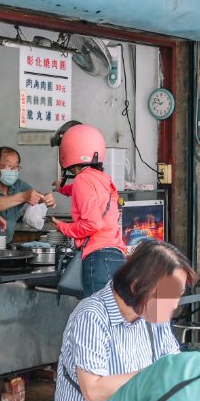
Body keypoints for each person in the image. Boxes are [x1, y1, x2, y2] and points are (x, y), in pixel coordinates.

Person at [55, 240, 194, 401]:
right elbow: (93, 390)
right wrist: (155, 374)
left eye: (178, 295)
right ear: (138, 285)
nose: (174, 304)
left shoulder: (154, 316)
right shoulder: (92, 316)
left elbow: (174, 368)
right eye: (169, 294)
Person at [50, 122, 127, 297]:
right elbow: (84, 192)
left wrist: (62, 226)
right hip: (116, 257)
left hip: (98, 258)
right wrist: (61, 189)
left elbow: (92, 224)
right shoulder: (103, 178)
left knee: (98, 318)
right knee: (113, 318)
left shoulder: (82, 180)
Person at [0, 146, 56, 248]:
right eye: (8, 166)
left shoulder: (18, 185)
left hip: (5, 248)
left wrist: (45, 198)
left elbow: (33, 195)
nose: (13, 171)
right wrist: (22, 197)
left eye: (16, 167)